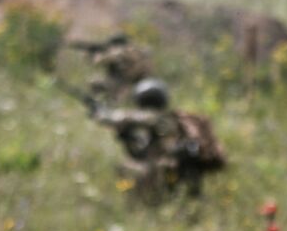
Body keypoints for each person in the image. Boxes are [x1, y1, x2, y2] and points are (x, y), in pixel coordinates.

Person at [89, 78, 225, 200]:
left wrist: (102, 114)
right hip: (177, 168)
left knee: (126, 168)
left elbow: (120, 118)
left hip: (166, 170)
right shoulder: (172, 118)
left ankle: (146, 200)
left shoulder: (153, 117)